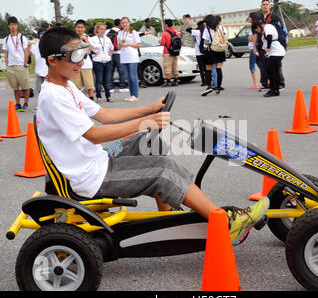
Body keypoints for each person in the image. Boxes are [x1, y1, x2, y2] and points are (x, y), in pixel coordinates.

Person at [36, 27, 270, 246]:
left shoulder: (65, 87)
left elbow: (104, 114)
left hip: (96, 160)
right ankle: (227, 224)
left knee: (150, 141)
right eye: (75, 56)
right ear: (53, 61)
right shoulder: (54, 97)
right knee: (163, 169)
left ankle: (169, 213)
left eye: (83, 53)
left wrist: (149, 110)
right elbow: (94, 134)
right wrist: (143, 123)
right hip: (90, 178)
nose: (82, 62)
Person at [253, 0, 285, 90]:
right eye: (263, 4)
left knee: (276, 65)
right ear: (261, 6)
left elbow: (280, 30)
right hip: (262, 45)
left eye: (267, 4)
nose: (265, 6)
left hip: (274, 45)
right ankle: (265, 84)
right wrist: (255, 46)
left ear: (270, 6)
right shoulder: (259, 19)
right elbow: (256, 33)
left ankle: (280, 83)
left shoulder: (275, 17)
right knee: (264, 65)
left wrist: (281, 43)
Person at [2, 16, 31, 111]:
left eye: (14, 24)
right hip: (11, 66)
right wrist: (7, 66)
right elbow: (6, 54)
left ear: (17, 26)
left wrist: (25, 64)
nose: (13, 26)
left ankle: (26, 103)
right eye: (11, 25)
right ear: (9, 26)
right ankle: (18, 104)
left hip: (21, 65)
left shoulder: (22, 38)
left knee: (25, 86)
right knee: (15, 87)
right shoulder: (7, 39)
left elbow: (26, 52)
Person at [252, 19, 285, 97]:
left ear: (258, 26)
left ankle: (273, 90)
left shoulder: (267, 26)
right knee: (273, 71)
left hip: (277, 52)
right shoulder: (264, 30)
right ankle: (275, 90)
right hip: (273, 53)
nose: (257, 31)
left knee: (271, 71)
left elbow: (269, 37)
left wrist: (268, 47)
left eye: (256, 29)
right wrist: (267, 52)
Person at [201, 15, 226, 96]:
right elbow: (225, 36)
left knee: (208, 69)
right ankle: (218, 87)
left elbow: (205, 42)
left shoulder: (207, 29)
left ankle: (209, 86)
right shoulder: (221, 28)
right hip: (220, 49)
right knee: (219, 68)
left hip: (211, 50)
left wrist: (205, 48)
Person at [117, 17, 141, 102]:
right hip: (124, 57)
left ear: (129, 23)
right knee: (128, 77)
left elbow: (138, 45)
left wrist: (128, 43)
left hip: (132, 57)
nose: (124, 24)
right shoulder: (120, 33)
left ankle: (136, 95)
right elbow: (118, 47)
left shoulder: (133, 32)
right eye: (122, 23)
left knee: (133, 76)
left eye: (125, 23)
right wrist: (121, 44)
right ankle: (131, 95)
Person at [89, 22, 114, 102]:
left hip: (107, 61)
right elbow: (90, 48)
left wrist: (111, 53)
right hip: (98, 62)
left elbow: (112, 48)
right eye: (101, 29)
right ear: (97, 30)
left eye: (104, 29)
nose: (103, 31)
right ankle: (99, 96)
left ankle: (108, 96)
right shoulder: (93, 39)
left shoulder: (107, 39)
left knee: (107, 80)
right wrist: (93, 53)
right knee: (99, 80)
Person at [72, 19, 95, 101]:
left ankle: (91, 100)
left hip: (86, 64)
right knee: (76, 86)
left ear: (85, 28)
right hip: (75, 64)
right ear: (75, 28)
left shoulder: (87, 37)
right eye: (78, 27)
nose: (80, 29)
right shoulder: (72, 37)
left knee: (89, 85)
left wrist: (86, 40)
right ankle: (77, 102)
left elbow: (92, 49)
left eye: (82, 27)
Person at [106, 18, 127, 93]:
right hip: (119, 53)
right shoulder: (121, 32)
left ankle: (110, 87)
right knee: (121, 70)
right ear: (120, 24)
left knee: (110, 71)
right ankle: (122, 86)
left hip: (110, 53)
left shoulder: (108, 31)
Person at [159, 19, 181, 87]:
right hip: (176, 52)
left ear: (166, 25)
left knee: (167, 67)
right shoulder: (176, 33)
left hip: (167, 52)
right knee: (175, 66)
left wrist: (159, 41)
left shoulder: (164, 33)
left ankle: (168, 81)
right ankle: (176, 80)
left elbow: (163, 43)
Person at [30, 27, 48, 96]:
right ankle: (41, 106)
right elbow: (30, 53)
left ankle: (49, 106)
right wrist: (28, 47)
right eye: (41, 33)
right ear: (38, 35)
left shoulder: (50, 44)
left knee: (48, 91)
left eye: (44, 33)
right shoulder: (36, 45)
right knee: (40, 90)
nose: (43, 35)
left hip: (48, 72)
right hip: (39, 71)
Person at [247, 12, 260, 89]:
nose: (248, 18)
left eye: (249, 17)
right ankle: (268, 80)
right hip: (255, 48)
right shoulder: (255, 26)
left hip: (254, 49)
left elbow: (253, 38)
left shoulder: (254, 27)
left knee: (252, 66)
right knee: (261, 65)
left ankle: (255, 84)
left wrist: (249, 38)